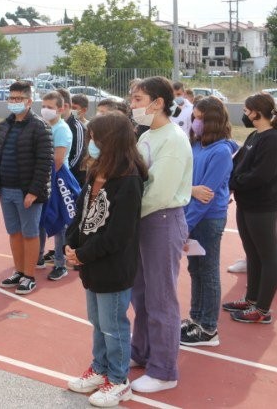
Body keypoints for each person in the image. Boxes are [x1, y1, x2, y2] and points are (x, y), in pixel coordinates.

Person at [65, 113, 147, 408]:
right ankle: (100, 369)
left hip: (112, 265)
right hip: (91, 263)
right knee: (97, 322)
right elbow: (81, 213)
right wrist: (71, 244)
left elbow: (119, 234)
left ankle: (118, 379)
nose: (92, 143)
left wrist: (83, 254)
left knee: (113, 325)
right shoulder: (96, 171)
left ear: (111, 141)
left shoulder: (129, 180)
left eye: (96, 139)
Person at [128, 76, 192, 393]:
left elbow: (158, 192)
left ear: (158, 103)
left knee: (161, 298)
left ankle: (164, 370)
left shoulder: (174, 139)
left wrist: (124, 215)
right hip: (144, 221)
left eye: (138, 99)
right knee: (141, 295)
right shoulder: (147, 135)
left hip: (161, 220)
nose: (132, 105)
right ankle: (141, 351)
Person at [224, 92, 277, 323]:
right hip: (247, 203)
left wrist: (234, 183)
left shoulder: (273, 139)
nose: (244, 114)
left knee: (268, 256)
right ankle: (251, 299)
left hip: (263, 206)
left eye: (246, 111)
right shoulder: (254, 135)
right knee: (252, 253)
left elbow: (262, 174)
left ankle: (262, 310)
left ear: (257, 112)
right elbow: (237, 163)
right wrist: (228, 178)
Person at [0, 81, 53, 295]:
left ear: (29, 101)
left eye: (18, 98)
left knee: (30, 234)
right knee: (14, 233)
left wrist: (33, 192)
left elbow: (45, 162)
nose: (14, 102)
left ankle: (29, 276)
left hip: (27, 192)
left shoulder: (40, 127)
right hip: (6, 190)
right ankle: (18, 271)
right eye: (11, 98)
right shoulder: (3, 125)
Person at [181, 97, 236, 347]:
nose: (195, 122)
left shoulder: (221, 151)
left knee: (209, 271)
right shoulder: (196, 145)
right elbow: (189, 185)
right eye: (194, 117)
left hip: (208, 219)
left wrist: (186, 225)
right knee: (195, 270)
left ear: (212, 120)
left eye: (200, 118)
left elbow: (206, 195)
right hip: (191, 216)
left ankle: (208, 328)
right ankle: (196, 318)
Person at [36, 91, 73, 280]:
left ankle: (60, 264)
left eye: (50, 107)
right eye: (43, 106)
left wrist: (41, 176)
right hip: (44, 179)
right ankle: (38, 256)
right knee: (40, 219)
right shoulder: (43, 125)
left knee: (59, 223)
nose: (45, 110)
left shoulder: (61, 129)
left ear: (60, 109)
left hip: (57, 180)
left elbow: (57, 160)